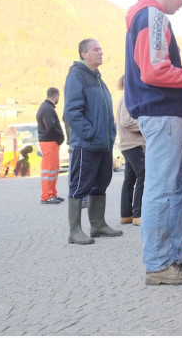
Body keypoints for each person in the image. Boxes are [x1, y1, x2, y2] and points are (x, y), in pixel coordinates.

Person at [124, 0, 182, 286]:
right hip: (163, 115)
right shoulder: (153, 16)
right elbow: (154, 70)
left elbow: (153, 71)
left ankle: (176, 256)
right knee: (162, 189)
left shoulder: (145, 17)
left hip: (165, 111)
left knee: (177, 187)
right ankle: (159, 263)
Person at [64, 38, 122, 245]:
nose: (101, 52)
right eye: (96, 50)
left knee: (100, 183)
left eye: (101, 49)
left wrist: (110, 133)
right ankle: (74, 231)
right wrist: (89, 134)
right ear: (83, 54)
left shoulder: (97, 77)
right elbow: (72, 112)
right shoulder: (77, 76)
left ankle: (98, 225)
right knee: (79, 185)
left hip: (102, 143)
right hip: (86, 144)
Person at [115, 75, 145, 226]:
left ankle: (126, 214)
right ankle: (138, 214)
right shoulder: (128, 98)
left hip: (128, 144)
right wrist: (144, 126)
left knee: (130, 178)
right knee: (143, 174)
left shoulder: (125, 98)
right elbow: (126, 121)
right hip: (133, 144)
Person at [37, 87, 65, 204]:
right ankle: (46, 196)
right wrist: (60, 136)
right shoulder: (47, 108)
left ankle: (52, 193)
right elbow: (50, 127)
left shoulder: (46, 107)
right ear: (56, 96)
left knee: (53, 170)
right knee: (48, 171)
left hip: (51, 142)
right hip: (49, 142)